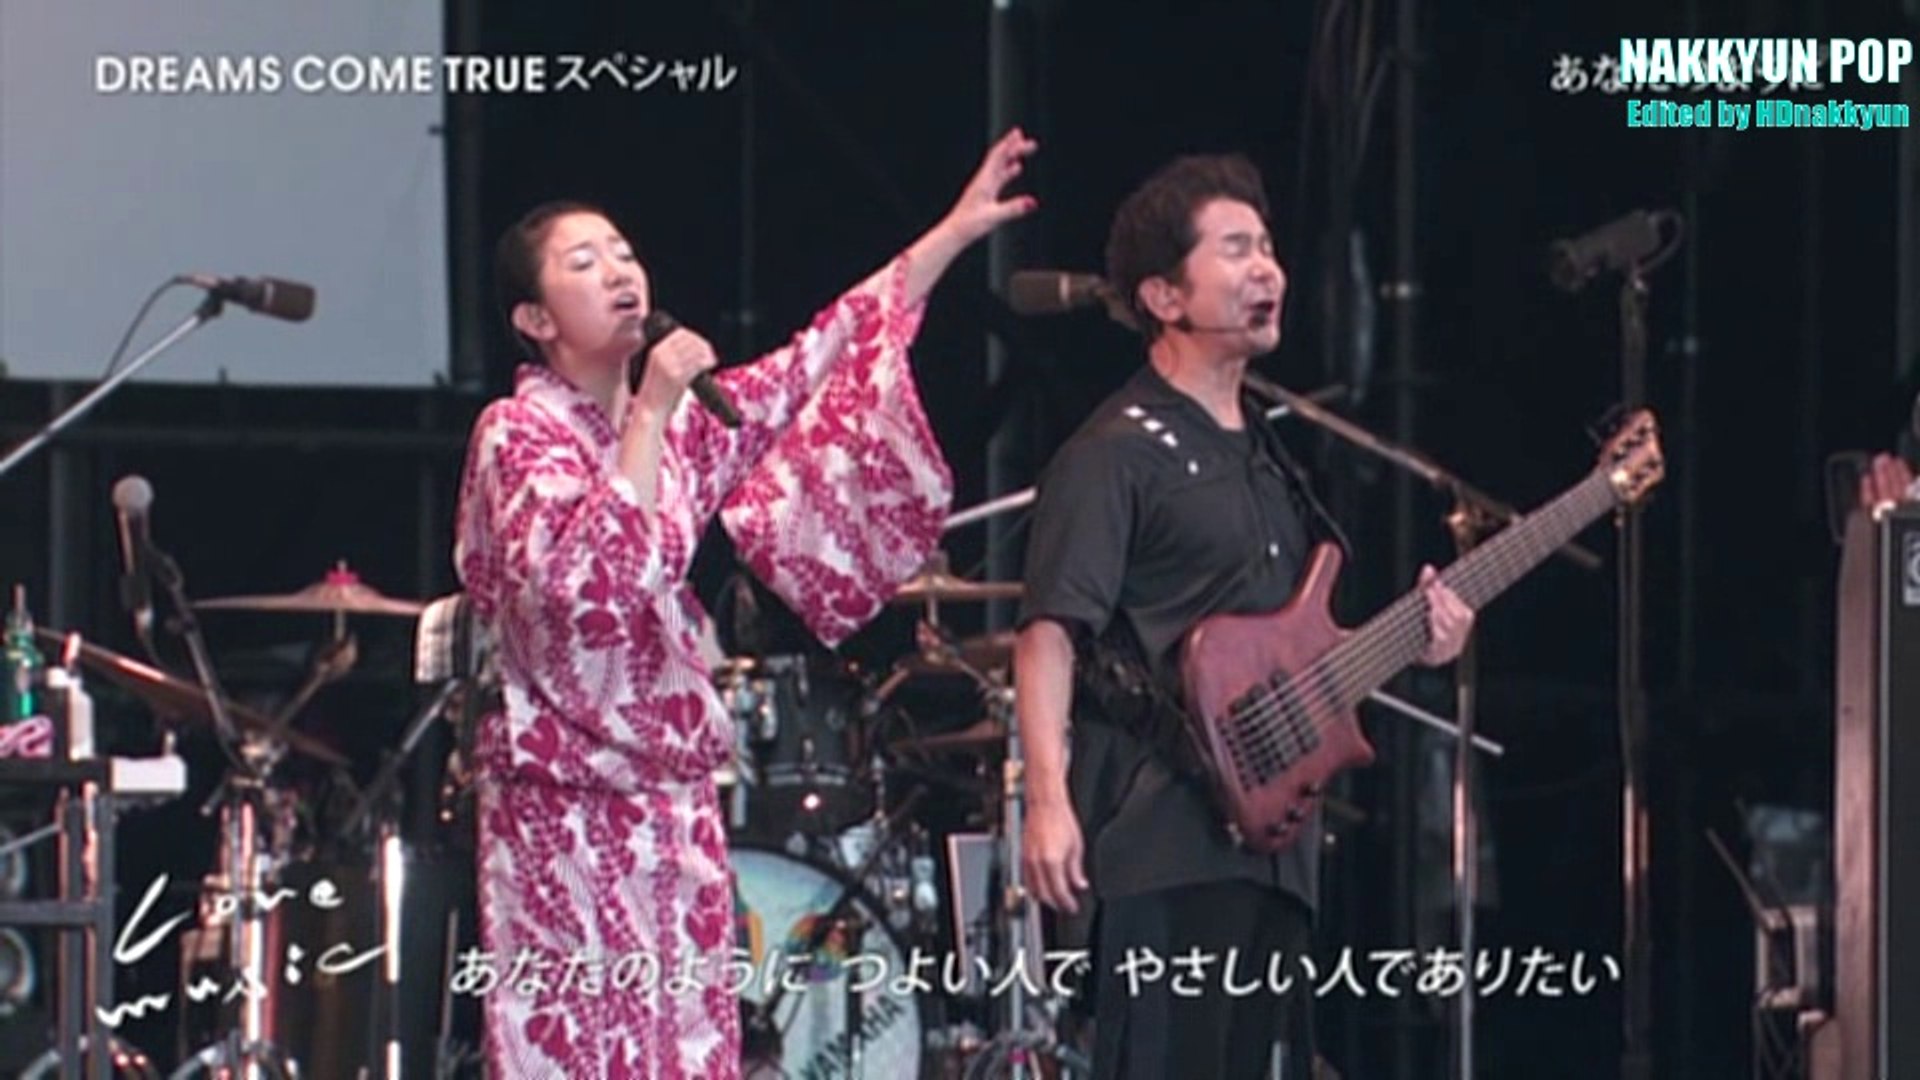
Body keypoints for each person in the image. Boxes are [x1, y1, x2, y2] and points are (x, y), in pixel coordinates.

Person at [453, 128, 1039, 1078]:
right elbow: (595, 592)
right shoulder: (516, 435)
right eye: (583, 262)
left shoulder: (686, 424)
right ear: (534, 319)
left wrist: (953, 233)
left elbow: (822, 353)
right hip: (565, 809)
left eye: (624, 253)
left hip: (672, 802)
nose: (619, 272)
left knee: (687, 1056)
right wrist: (650, 412)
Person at [1014, 153, 1474, 1079]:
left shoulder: (1271, 459)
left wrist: (1420, 643)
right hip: (1162, 845)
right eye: (1234, 250)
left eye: (1266, 248)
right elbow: (1048, 634)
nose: (1266, 269)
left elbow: (1293, 654)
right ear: (1163, 296)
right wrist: (1048, 802)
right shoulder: (1114, 453)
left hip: (1277, 852)